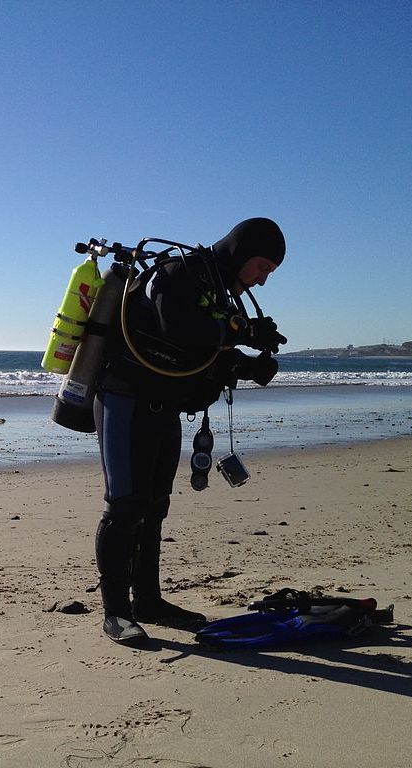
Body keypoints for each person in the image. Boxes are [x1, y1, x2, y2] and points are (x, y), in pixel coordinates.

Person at [93, 217, 287, 644]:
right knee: (125, 507)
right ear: (241, 252)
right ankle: (116, 613)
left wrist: (249, 367)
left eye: (269, 273)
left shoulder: (217, 290)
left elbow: (203, 356)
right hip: (124, 402)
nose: (262, 280)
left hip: (162, 409)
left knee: (154, 507)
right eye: (262, 267)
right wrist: (243, 330)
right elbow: (179, 329)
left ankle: (148, 601)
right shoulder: (178, 273)